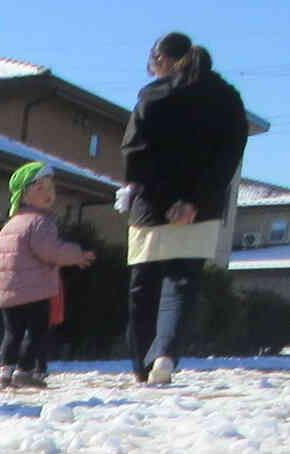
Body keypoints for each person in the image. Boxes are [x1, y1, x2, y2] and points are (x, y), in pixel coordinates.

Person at [118, 33, 248, 386]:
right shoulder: (227, 99)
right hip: (201, 209)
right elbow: (228, 158)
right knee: (182, 283)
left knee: (143, 287)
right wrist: (193, 202)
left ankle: (142, 368)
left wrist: (162, 201)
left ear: (161, 59)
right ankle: (165, 354)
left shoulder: (153, 95)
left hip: (150, 209)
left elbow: (133, 153)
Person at [0, 163, 95, 389]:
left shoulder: (9, 225)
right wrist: (76, 254)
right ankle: (24, 370)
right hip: (34, 290)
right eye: (40, 188)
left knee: (13, 332)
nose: (48, 193)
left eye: (51, 188)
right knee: (37, 332)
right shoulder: (40, 222)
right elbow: (50, 251)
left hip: (8, 291)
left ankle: (5, 371)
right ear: (24, 195)